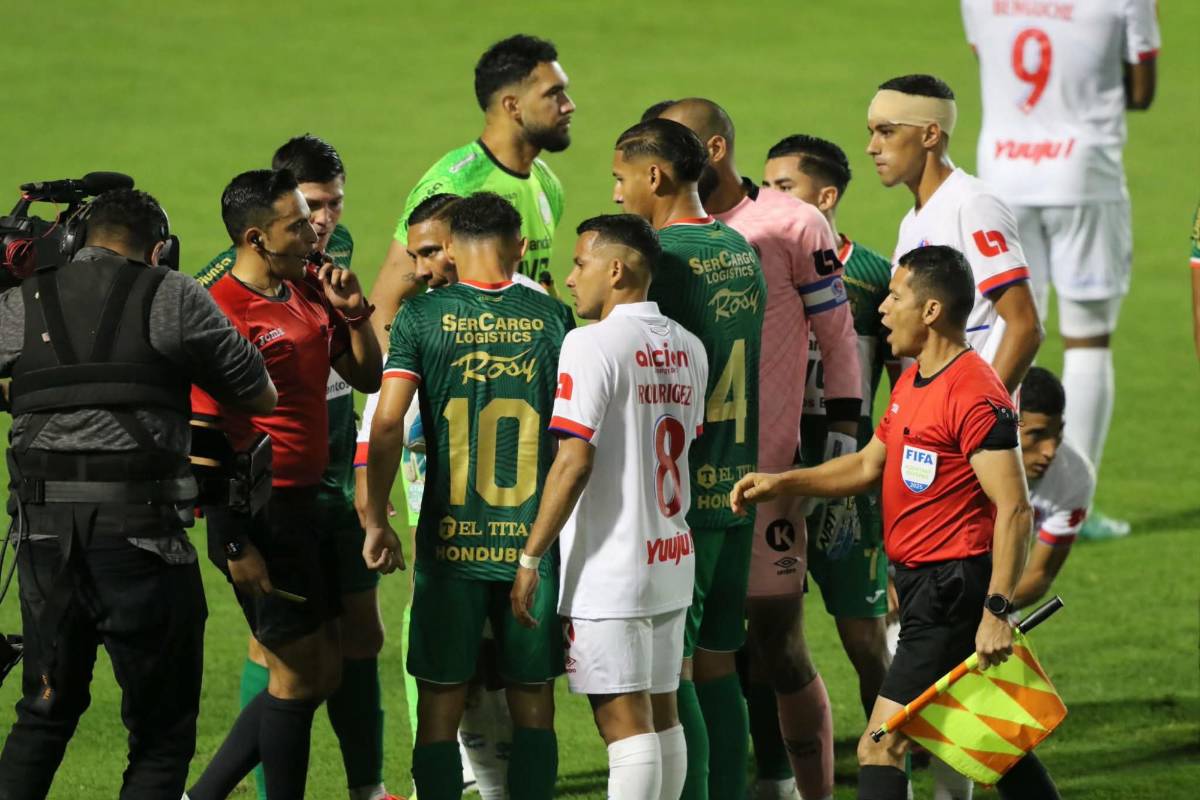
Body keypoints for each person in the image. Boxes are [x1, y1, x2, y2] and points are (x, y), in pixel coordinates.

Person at [731, 245, 1060, 800]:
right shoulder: (914, 382)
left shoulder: (975, 394)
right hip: (920, 583)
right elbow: (867, 464)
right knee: (990, 739)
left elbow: (1015, 507)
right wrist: (784, 481)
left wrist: (998, 611)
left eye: (896, 296)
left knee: (881, 742)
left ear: (930, 311)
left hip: (949, 591)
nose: (882, 308)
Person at [0, 188, 275, 799]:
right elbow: (258, 395)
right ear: (160, 249)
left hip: (44, 546)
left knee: (43, 715)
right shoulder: (174, 295)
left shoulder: (24, 301)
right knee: (160, 737)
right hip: (142, 547)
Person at [658, 100, 862, 800]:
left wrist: (840, 437)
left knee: (775, 642)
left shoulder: (792, 221)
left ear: (714, 147)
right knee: (687, 654)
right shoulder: (659, 230)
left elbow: (837, 336)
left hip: (767, 473)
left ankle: (805, 791)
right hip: (676, 479)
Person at [195, 134, 400, 800]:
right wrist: (232, 541)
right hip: (264, 513)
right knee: (298, 678)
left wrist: (353, 311)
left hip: (312, 504)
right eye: (295, 225)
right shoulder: (222, 314)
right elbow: (206, 438)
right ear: (255, 238)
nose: (312, 235)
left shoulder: (309, 287)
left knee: (317, 673)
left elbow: (365, 374)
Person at [362, 192, 574, 800]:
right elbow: (573, 440)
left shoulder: (420, 317)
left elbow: (385, 425)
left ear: (450, 248)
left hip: (449, 548)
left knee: (439, 708)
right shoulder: (552, 319)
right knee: (535, 703)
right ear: (521, 247)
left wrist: (376, 519)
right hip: (529, 545)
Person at [511, 214, 708, 799]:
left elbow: (574, 461)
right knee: (663, 711)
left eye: (580, 263)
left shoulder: (589, 343)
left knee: (624, 727)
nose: (571, 278)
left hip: (612, 568)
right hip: (671, 556)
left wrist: (529, 558)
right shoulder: (690, 347)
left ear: (616, 269)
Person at [963, 0, 1159, 541]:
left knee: (1008, 328)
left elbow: (989, 57)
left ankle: (988, 489)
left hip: (1003, 173)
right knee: (1088, 340)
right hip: (1083, 174)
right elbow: (1141, 91)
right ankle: (1075, 505)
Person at [612, 117, 766, 800]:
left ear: (654, 176)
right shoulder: (739, 246)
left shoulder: (662, 261)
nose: (616, 196)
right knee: (719, 666)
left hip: (683, 496)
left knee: (670, 681)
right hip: (740, 479)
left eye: (620, 179)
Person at [750, 132, 895, 797]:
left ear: (825, 197)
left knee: (867, 640)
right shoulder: (752, 259)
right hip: (774, 469)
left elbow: (911, 385)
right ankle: (776, 773)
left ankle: (892, 765)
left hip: (847, 485)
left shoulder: (874, 276)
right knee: (766, 637)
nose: (768, 198)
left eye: (784, 187)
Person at [369, 33, 574, 343]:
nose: (568, 106)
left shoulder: (547, 183)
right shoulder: (454, 186)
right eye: (554, 94)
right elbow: (388, 303)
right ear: (513, 106)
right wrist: (403, 387)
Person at [867, 73, 1043, 395]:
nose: (872, 147)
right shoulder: (912, 221)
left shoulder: (973, 204)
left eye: (886, 132)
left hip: (963, 430)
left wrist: (980, 417)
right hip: (929, 421)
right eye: (872, 133)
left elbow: (1025, 326)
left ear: (930, 135)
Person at [1012, 366, 1095, 609]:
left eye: (1057, 433)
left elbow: (1039, 576)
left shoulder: (1075, 476)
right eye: (1036, 435)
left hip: (991, 602)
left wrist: (988, 612)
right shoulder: (962, 457)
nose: (1050, 451)